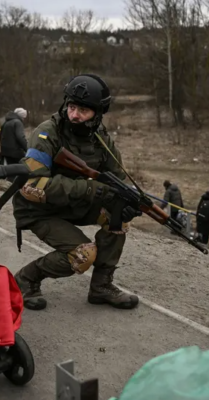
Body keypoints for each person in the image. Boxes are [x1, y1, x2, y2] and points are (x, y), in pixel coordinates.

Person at [12, 74, 142, 311]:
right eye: (72, 107)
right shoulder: (46, 133)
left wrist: (127, 202)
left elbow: (117, 178)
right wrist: (92, 189)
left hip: (73, 205)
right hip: (39, 209)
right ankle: (26, 279)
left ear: (98, 114)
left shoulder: (100, 137)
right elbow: (32, 186)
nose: (74, 115)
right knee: (83, 255)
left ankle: (101, 287)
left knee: (118, 217)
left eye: (83, 110)